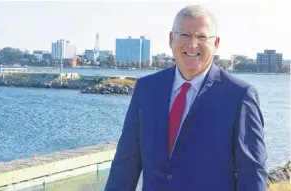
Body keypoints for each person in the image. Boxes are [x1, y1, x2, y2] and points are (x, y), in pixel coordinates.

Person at [105, 4, 268, 191]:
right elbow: (125, 164)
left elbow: (252, 173)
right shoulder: (146, 89)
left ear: (216, 44)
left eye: (201, 36)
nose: (192, 44)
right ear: (171, 39)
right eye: (185, 35)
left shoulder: (239, 96)